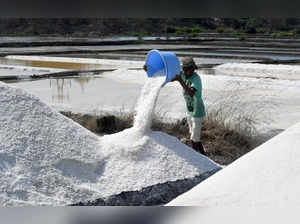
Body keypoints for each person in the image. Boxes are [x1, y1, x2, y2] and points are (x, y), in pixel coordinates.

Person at [172, 57, 206, 155]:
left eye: (190, 70)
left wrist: (180, 81)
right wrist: (149, 69)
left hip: (198, 112)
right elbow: (170, 76)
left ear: (193, 69)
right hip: (190, 111)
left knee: (194, 138)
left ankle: (197, 157)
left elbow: (191, 93)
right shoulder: (182, 75)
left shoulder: (196, 79)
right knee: (194, 136)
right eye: (186, 70)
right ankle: (204, 157)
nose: (188, 72)